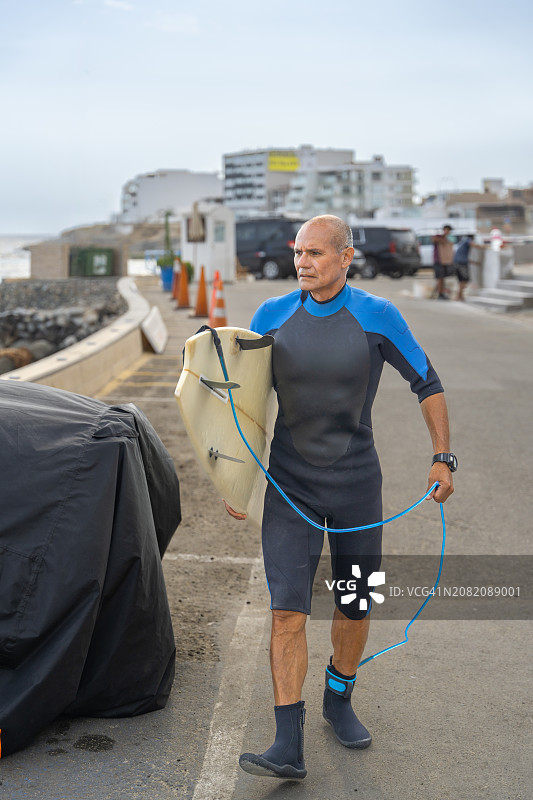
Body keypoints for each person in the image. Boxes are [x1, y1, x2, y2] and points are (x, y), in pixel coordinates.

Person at [224, 215, 455, 780]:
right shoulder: (270, 316)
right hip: (290, 488)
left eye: (316, 254)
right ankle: (287, 742)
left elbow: (427, 381)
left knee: (355, 604)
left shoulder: (378, 317)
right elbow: (244, 400)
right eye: (298, 253)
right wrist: (236, 478)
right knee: (286, 611)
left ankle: (339, 696)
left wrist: (442, 455)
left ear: (346, 257)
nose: (303, 262)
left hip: (355, 487)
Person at [453, 234, 484, 301]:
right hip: (461, 264)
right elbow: (473, 244)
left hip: (457, 263)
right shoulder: (468, 240)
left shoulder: (462, 243)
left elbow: (465, 258)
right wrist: (484, 247)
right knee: (464, 280)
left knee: (461, 281)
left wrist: (474, 262)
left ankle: (459, 296)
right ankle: (459, 296)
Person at [432, 224, 454, 299]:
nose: (448, 233)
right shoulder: (438, 237)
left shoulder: (446, 239)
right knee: (440, 277)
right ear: (445, 230)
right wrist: (443, 240)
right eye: (447, 231)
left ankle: (440, 293)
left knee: (442, 278)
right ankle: (440, 294)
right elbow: (434, 239)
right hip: (438, 260)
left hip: (444, 261)